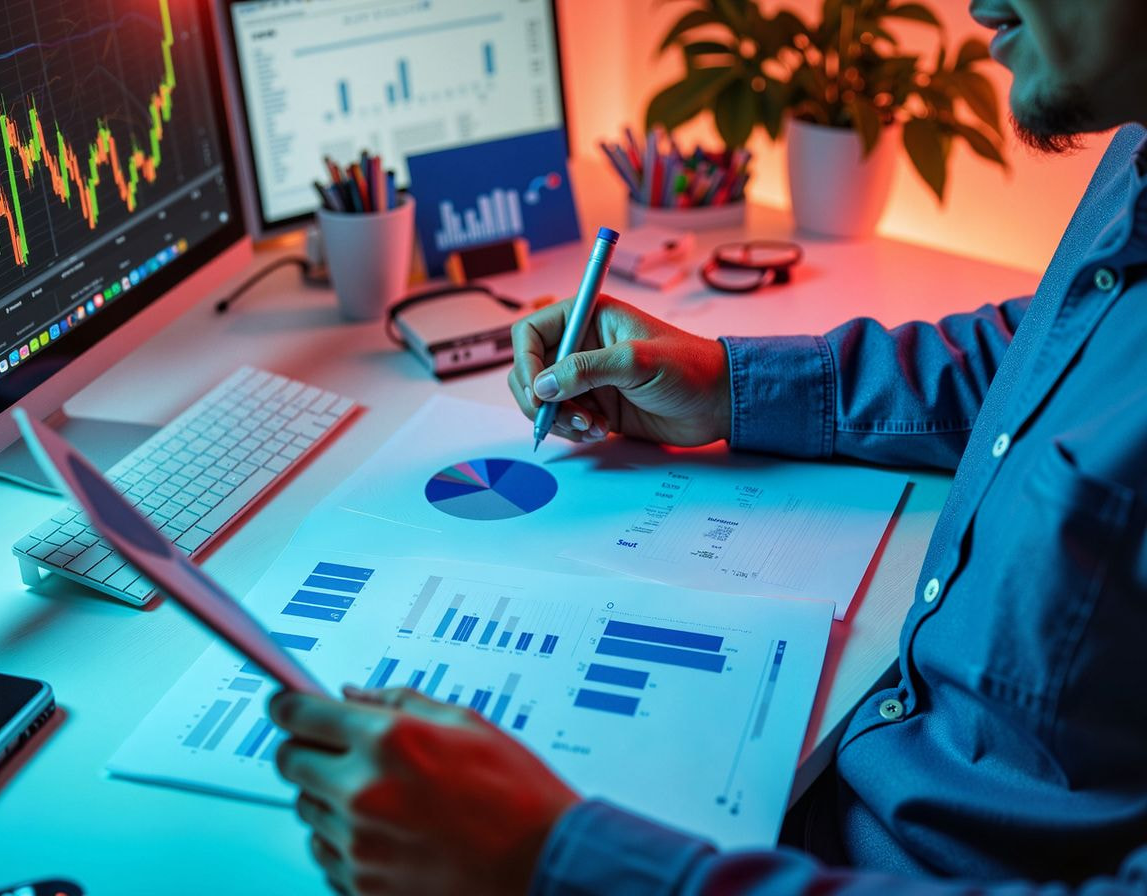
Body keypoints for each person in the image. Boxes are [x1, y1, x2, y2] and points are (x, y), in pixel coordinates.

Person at [269, 0, 1147, 892]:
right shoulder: (1135, 155)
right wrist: (728, 385)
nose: (976, 5)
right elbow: (1045, 347)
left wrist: (548, 863)